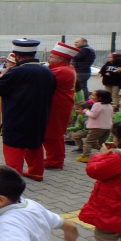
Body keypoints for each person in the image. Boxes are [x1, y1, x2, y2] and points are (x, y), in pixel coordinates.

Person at [0, 39, 56, 181]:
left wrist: (1, 75)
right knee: (34, 143)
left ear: (16, 55)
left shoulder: (16, 72)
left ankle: (13, 177)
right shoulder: (47, 72)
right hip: (39, 113)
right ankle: (36, 172)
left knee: (13, 144)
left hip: (17, 114)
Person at [42, 42, 79, 170]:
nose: (49, 58)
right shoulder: (65, 68)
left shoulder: (61, 70)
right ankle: (54, 158)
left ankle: (55, 161)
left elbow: (42, 83)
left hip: (57, 105)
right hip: (59, 104)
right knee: (53, 133)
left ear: (60, 59)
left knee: (53, 134)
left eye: (51, 56)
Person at [76, 90, 114, 163]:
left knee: (88, 142)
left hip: (97, 127)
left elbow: (93, 115)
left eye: (93, 95)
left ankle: (85, 156)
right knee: (100, 142)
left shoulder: (98, 104)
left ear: (99, 98)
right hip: (107, 127)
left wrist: (86, 111)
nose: (91, 97)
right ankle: (107, 153)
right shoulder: (109, 105)